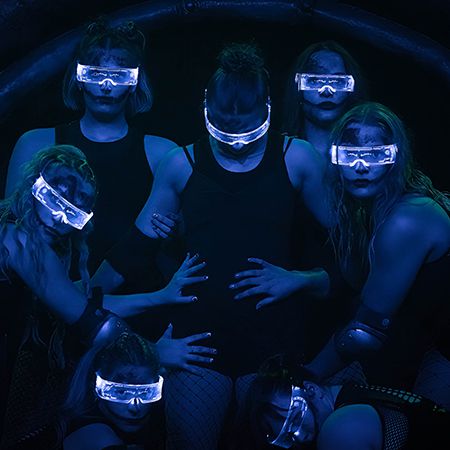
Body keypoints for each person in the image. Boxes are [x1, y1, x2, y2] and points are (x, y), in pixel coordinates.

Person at [90, 42, 332, 449]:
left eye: (247, 131)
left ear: (267, 110)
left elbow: (346, 245)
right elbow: (135, 247)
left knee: (276, 440)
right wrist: (86, 296)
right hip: (199, 341)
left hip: (273, 339)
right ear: (206, 109)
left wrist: (302, 278)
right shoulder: (181, 163)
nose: (235, 142)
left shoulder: (297, 157)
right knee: (189, 440)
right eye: (223, 129)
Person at [0, 145, 215, 448]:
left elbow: (77, 302)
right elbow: (90, 321)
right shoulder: (21, 242)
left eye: (72, 213)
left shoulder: (28, 240)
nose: (58, 217)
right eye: (52, 199)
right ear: (33, 186)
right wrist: (151, 354)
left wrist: (160, 297)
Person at [5, 19, 177, 281]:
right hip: (47, 295)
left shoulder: (162, 154)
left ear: (134, 81)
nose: (106, 85)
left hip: (140, 295)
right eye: (95, 73)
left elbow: (183, 242)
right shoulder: (35, 144)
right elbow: (11, 236)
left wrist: (175, 234)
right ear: (79, 77)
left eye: (119, 75)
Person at [304, 102, 450, 406]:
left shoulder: (407, 218)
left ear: (396, 158)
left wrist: (307, 374)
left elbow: (366, 331)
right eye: (349, 155)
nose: (361, 166)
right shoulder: (371, 213)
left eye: (375, 155)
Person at [248, 355, 450, 450]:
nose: (301, 437)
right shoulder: (353, 394)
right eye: (287, 437)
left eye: (296, 419)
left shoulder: (339, 428)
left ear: (311, 390)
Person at [62, 332, 165, 450]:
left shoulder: (159, 421)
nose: (134, 408)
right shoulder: (96, 436)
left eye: (145, 392)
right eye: (121, 392)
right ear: (95, 386)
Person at [283, 41, 366, 156]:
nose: (327, 92)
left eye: (337, 81)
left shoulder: (365, 157)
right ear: (297, 87)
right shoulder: (278, 151)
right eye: (315, 81)